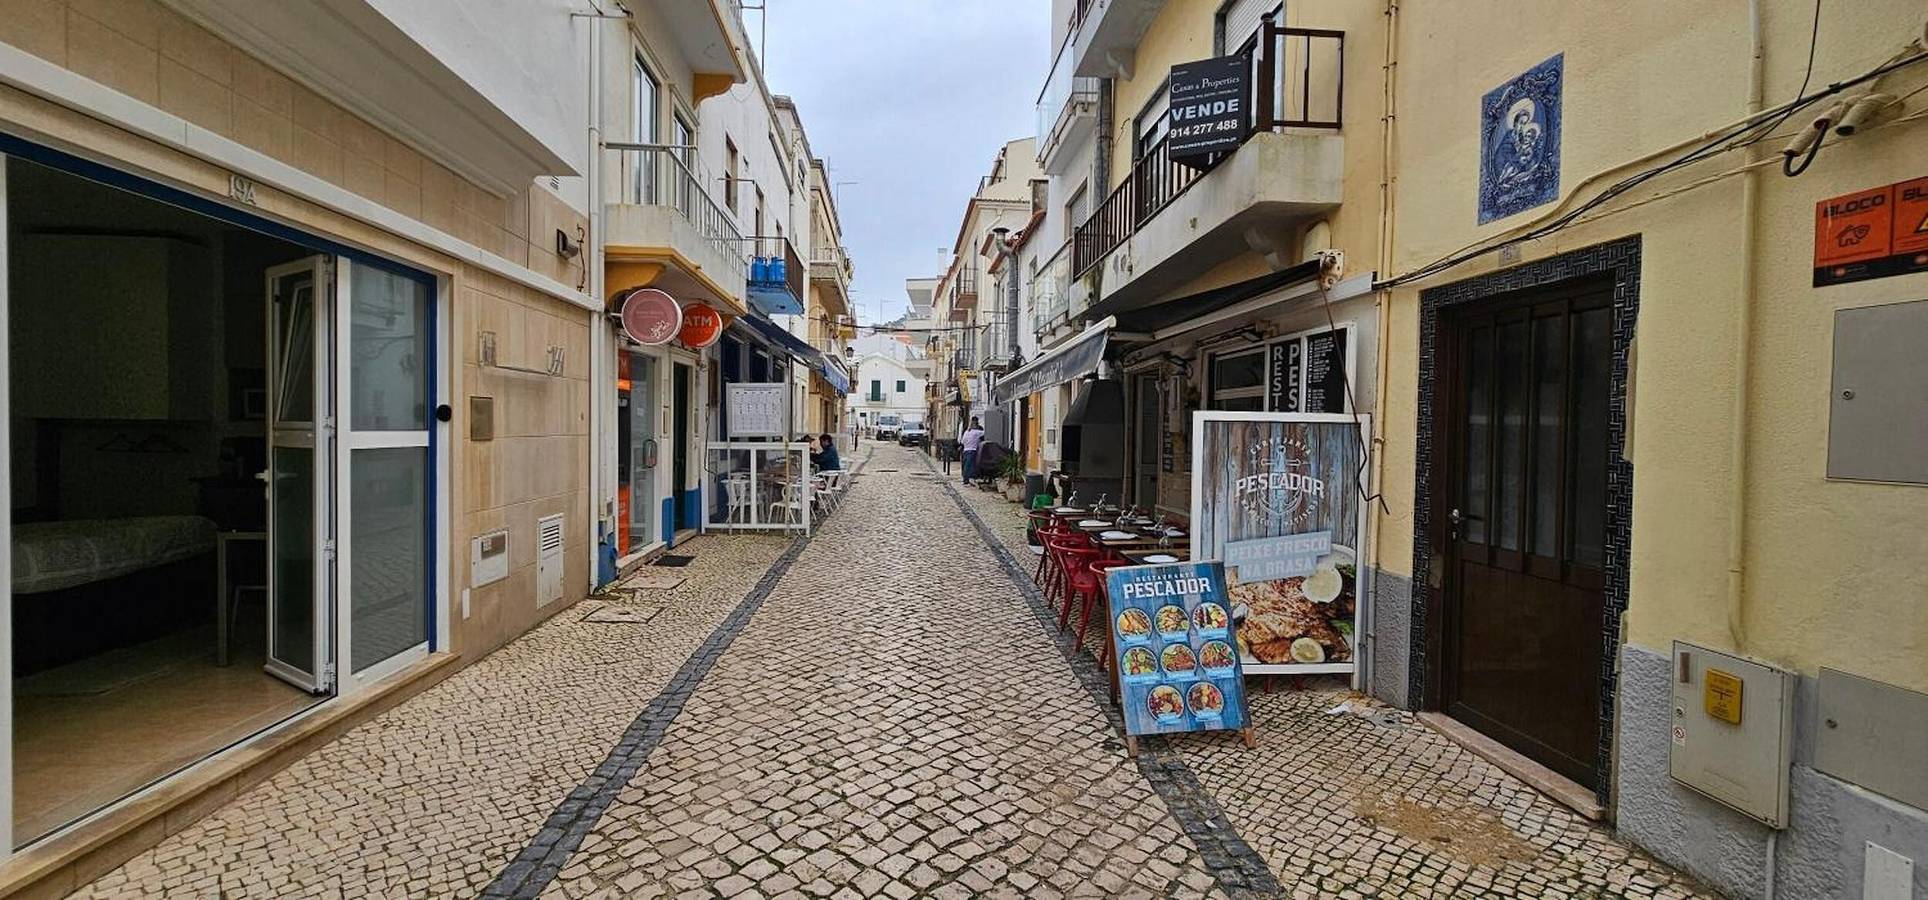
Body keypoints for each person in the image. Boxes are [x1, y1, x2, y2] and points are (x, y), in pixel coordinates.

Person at [959, 417, 985, 484]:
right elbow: (987, 432)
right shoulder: (977, 432)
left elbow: (962, 441)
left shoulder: (966, 432)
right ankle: (969, 479)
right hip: (972, 450)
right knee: (970, 466)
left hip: (965, 450)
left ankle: (966, 479)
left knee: (966, 465)